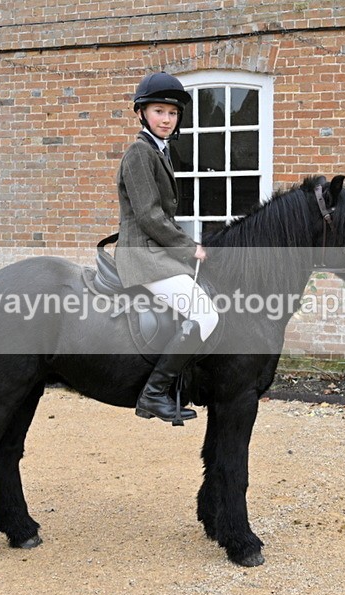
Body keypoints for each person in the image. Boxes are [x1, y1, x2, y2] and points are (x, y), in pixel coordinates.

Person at [115, 71, 219, 423]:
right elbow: (149, 215)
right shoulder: (139, 153)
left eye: (172, 114)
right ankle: (153, 394)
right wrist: (190, 248)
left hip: (155, 250)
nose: (166, 119)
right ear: (142, 112)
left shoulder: (160, 152)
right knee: (206, 313)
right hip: (141, 254)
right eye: (159, 111)